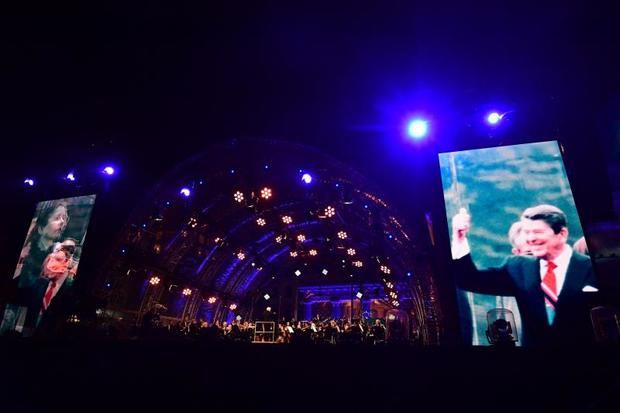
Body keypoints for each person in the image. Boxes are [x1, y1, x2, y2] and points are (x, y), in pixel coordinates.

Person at [451, 204, 598, 346]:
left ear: (562, 234)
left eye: (538, 232)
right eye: (528, 233)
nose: (531, 239)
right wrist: (459, 239)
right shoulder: (518, 267)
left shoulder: (589, 267)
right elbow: (468, 280)